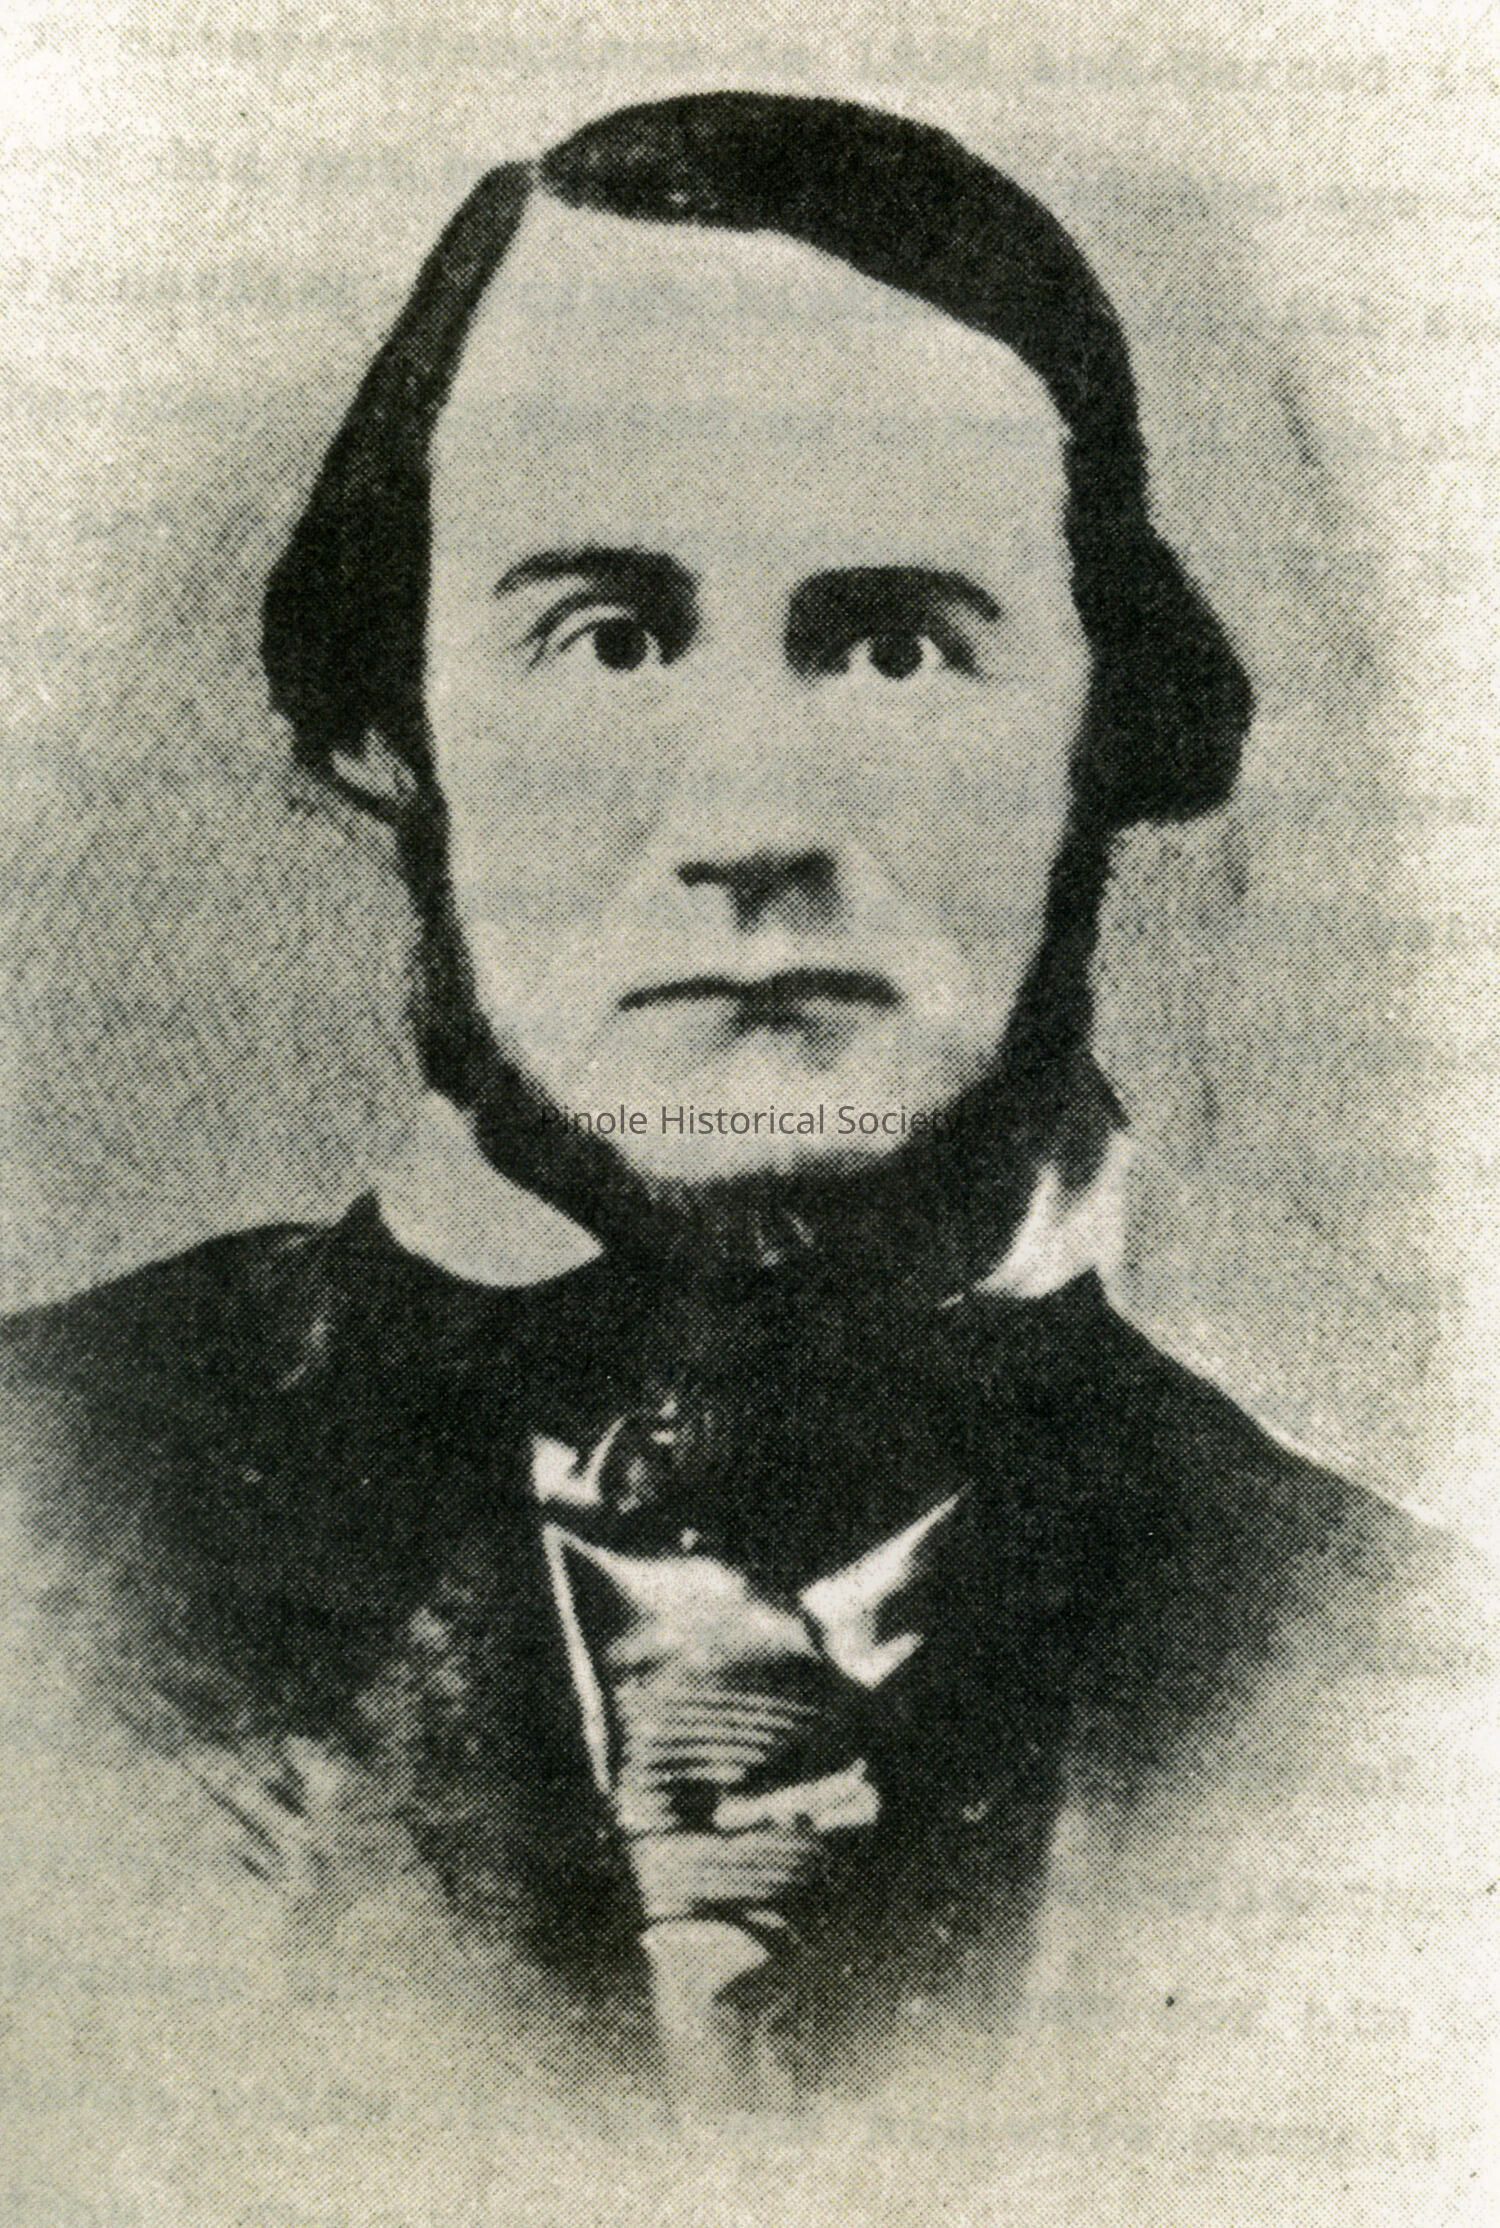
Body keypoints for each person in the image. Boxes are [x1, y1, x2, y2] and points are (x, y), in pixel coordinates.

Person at [0, 89, 1491, 2208]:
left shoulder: (1398, 1679)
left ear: (1108, 729)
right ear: (387, 721)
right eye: (609, 636)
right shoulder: (44, 1524)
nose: (752, 822)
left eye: (894, 643)